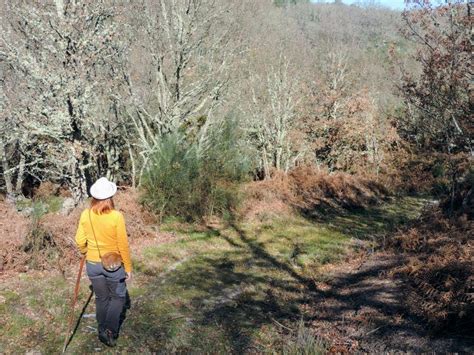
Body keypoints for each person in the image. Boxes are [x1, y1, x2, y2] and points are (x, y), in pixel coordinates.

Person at [75, 177, 132, 347]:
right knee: (118, 297)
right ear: (110, 197)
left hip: (92, 265)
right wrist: (128, 267)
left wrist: (86, 252)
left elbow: (79, 240)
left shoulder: (86, 214)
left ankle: (101, 328)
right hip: (114, 266)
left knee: (101, 297)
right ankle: (109, 330)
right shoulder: (116, 216)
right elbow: (123, 244)